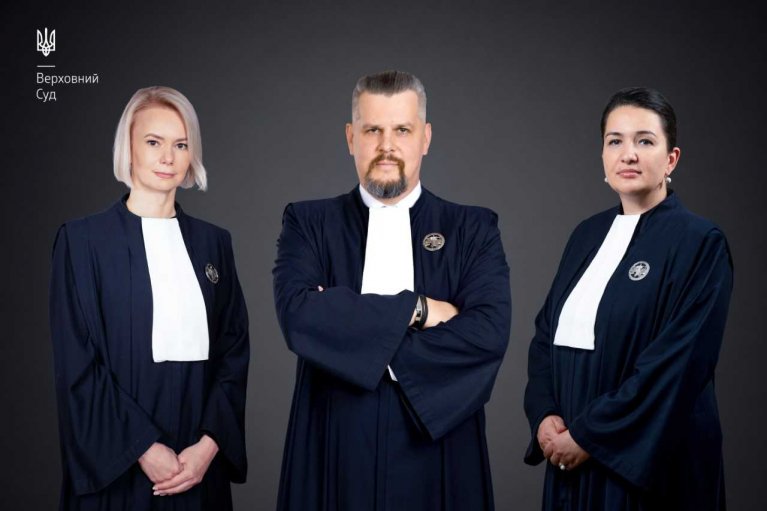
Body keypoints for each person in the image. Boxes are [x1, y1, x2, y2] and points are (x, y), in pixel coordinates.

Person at [273, 70, 511, 510]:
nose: (387, 145)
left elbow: (488, 334)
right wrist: (420, 309)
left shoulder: (473, 228)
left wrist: (345, 323)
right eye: (372, 130)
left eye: (402, 130)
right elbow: (299, 316)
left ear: (425, 137)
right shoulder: (308, 223)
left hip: (438, 441)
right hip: (333, 441)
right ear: (351, 137)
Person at [523, 87, 733, 510]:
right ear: (603, 156)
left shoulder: (700, 242)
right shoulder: (586, 235)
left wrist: (589, 435)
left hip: (646, 460)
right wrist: (545, 415)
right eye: (615, 141)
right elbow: (546, 334)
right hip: (569, 450)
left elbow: (677, 366)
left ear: (671, 159)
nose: (629, 154)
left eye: (645, 141)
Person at [49, 86, 249, 510]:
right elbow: (78, 364)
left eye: (181, 145)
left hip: (198, 466)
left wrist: (209, 446)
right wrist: (142, 447)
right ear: (129, 148)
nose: (168, 158)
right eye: (154, 142)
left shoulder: (214, 244)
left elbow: (234, 352)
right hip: (119, 468)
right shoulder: (82, 243)